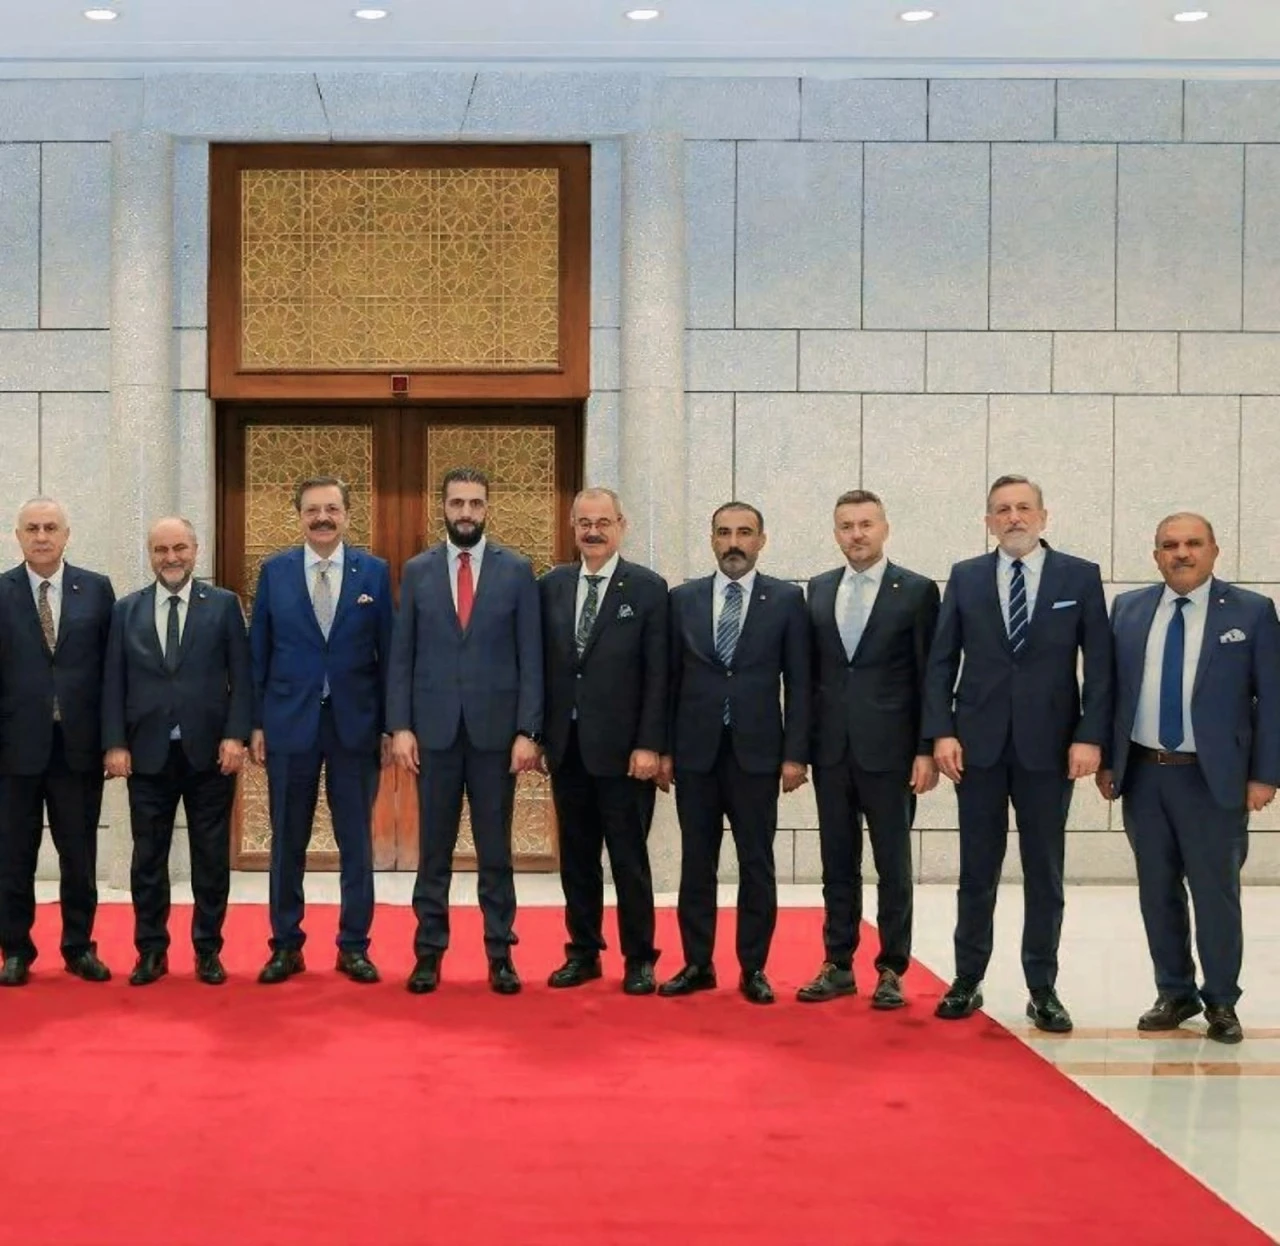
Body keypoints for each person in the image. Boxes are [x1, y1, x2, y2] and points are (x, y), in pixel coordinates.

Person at [923, 474, 1111, 1032]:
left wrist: (1090, 735)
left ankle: (1042, 987)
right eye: (1002, 510)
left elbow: (1100, 665)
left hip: (1050, 750)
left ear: (1043, 516)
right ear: (988, 521)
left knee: (1044, 873)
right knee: (976, 871)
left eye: (1023, 508)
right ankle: (967, 978)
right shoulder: (966, 576)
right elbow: (941, 661)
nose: (1013, 518)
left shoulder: (1080, 576)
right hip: (975, 748)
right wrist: (941, 731)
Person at [1098, 513, 1280, 1045]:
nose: (1182, 553)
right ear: (1156, 555)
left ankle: (1221, 1000)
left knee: (1215, 893)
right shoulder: (1128, 609)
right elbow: (1110, 692)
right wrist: (1109, 760)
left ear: (1214, 550)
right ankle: (1174, 991)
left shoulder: (1251, 611)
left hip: (1213, 779)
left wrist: (1265, 775)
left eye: (1193, 543)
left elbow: (1272, 700)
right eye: (1170, 545)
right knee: (1157, 891)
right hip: (1144, 774)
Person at [389, 467, 543, 996]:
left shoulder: (517, 570)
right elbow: (402, 655)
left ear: (487, 508)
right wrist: (400, 726)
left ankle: (500, 953)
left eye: (476, 503)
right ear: (444, 507)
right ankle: (428, 952)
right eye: (457, 503)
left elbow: (531, 656)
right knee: (433, 851)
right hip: (433, 735)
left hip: (496, 739)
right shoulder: (418, 571)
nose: (466, 513)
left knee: (495, 852)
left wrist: (528, 730)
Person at [658, 502, 810, 1005]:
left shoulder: (786, 600)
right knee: (696, 863)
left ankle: (754, 967)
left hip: (757, 754)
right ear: (711, 539)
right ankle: (697, 963)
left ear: (761, 540)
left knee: (756, 863)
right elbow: (667, 681)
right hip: (695, 754)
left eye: (744, 533)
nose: (733, 543)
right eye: (724, 533)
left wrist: (795, 755)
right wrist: (663, 749)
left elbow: (799, 684)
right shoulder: (683, 599)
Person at [249, 476, 393, 986]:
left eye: (331, 509)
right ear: (299, 517)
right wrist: (255, 723)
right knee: (287, 840)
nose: (322, 518)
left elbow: (390, 654)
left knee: (356, 842)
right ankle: (286, 945)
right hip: (289, 725)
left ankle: (354, 946)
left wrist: (391, 726)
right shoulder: (275, 572)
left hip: (356, 726)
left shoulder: (374, 573)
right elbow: (258, 653)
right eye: (312, 510)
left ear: (348, 515)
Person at [799, 490, 940, 1008]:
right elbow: (808, 676)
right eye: (846, 526)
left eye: (865, 524)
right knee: (837, 863)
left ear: (884, 528)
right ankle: (837, 963)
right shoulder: (818, 589)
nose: (856, 534)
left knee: (893, 866)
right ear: (836, 532)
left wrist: (926, 748)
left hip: (893, 753)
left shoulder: (917, 591)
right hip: (831, 751)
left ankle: (891, 968)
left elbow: (930, 676)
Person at [101, 517, 252, 986]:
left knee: (210, 859)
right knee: (148, 860)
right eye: (162, 549)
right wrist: (115, 743)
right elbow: (113, 682)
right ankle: (151, 950)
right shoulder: (126, 610)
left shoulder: (223, 605)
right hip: (146, 755)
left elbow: (242, 676)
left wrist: (236, 735)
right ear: (150, 554)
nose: (171, 557)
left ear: (195, 549)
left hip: (211, 755)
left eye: (180, 548)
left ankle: (208, 950)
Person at [539, 488, 667, 995]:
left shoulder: (648, 588)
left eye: (603, 522)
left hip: (626, 754)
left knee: (629, 859)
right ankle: (584, 952)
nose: (593, 531)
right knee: (577, 858)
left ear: (621, 525)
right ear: (572, 527)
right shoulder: (551, 586)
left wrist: (650, 744)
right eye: (584, 523)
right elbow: (543, 666)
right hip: (567, 747)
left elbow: (659, 674)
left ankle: (639, 957)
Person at [0, 498, 114, 987]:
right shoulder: (1, 591)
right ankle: (15, 950)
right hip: (13, 751)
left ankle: (78, 947)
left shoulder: (96, 589)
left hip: (78, 748)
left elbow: (112, 671)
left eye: (50, 527)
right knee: (13, 856)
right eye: (32, 528)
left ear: (67, 535)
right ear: (18, 536)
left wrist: (114, 740)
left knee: (79, 855)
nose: (42, 536)